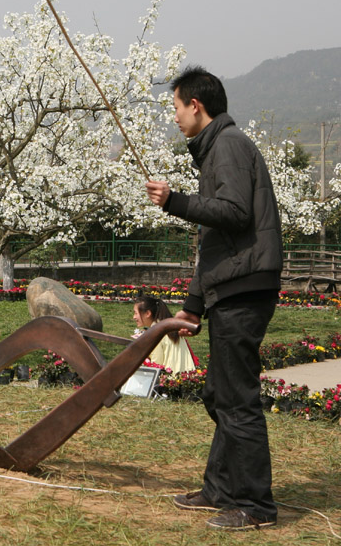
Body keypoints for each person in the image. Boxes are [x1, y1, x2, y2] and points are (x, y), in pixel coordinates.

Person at [145, 66, 282, 531]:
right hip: (233, 287)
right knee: (219, 393)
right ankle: (221, 489)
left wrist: (175, 201)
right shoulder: (217, 150)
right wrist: (195, 303)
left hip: (245, 292)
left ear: (196, 105)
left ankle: (256, 506)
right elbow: (214, 240)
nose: (176, 118)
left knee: (236, 400)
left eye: (177, 108)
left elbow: (234, 212)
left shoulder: (228, 145)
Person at [131, 295, 197, 373]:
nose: (134, 317)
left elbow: (156, 365)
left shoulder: (155, 332)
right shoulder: (170, 326)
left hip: (170, 379)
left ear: (148, 313)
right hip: (187, 376)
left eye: (136, 313)